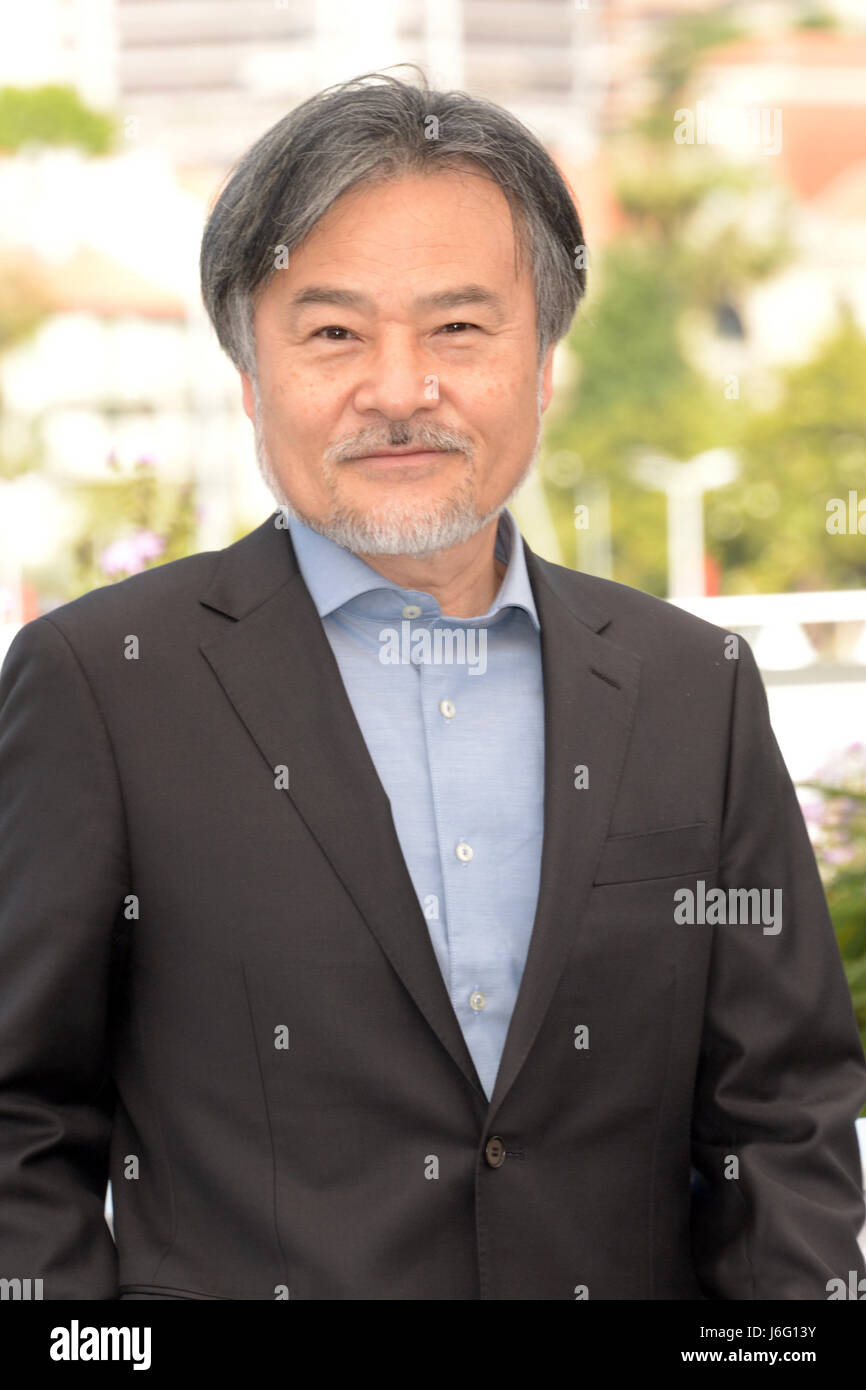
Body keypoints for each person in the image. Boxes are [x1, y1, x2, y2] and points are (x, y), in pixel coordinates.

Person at [1, 71, 864, 1302]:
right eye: (333, 332)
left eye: (458, 328)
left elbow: (782, 1114)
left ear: (543, 359)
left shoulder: (691, 687)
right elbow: (19, 1125)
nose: (399, 390)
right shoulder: (104, 686)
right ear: (251, 375)